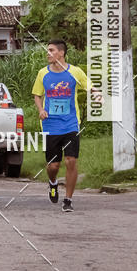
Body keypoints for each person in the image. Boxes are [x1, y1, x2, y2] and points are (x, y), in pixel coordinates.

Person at [32, 39, 97, 213]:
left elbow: (89, 86)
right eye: (48, 50)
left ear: (61, 53)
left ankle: (68, 199)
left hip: (70, 124)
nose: (48, 53)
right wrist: (40, 110)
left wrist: (97, 94)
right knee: (53, 166)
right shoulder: (42, 73)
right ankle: (53, 182)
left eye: (51, 50)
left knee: (71, 161)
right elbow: (37, 95)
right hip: (50, 125)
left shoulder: (75, 72)